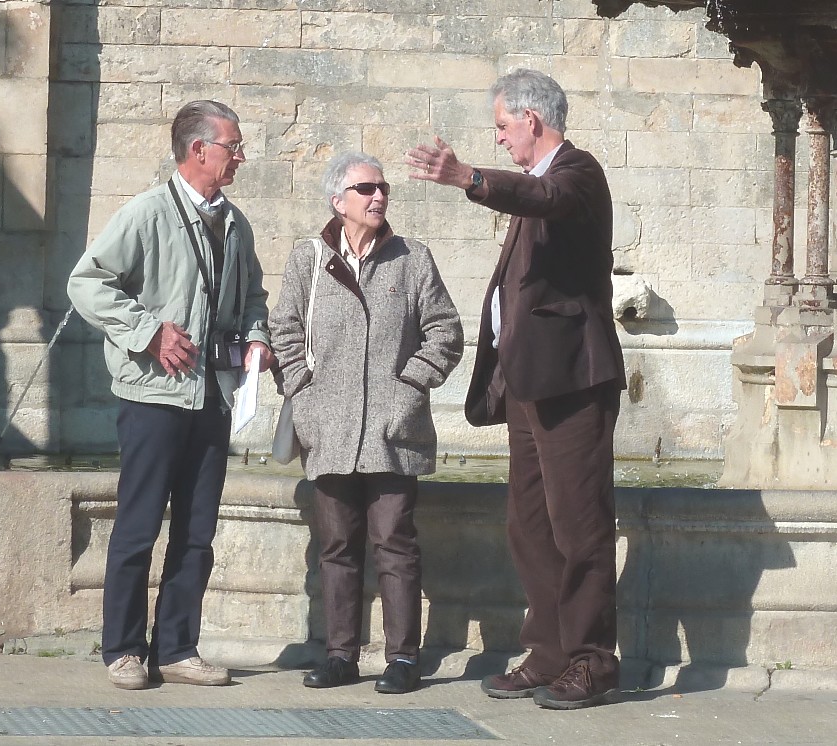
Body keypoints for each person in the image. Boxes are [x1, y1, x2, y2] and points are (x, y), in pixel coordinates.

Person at [407, 69, 627, 710]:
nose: (500, 138)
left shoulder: (577, 173)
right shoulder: (537, 186)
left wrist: (469, 177)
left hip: (573, 381)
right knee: (529, 526)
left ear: (532, 119)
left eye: (503, 126)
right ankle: (551, 652)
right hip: (530, 384)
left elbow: (546, 199)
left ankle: (592, 661)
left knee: (579, 525)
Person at [67, 100, 272, 690]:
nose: (241, 157)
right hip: (153, 396)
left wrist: (257, 338)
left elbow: (252, 297)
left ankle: (178, 648)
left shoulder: (235, 223)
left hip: (213, 396)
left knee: (197, 532)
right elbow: (87, 282)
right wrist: (148, 332)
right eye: (233, 146)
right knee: (138, 527)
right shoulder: (146, 213)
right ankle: (123, 650)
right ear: (198, 150)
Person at [269, 152, 463, 695]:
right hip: (328, 426)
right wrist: (302, 391)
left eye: (383, 188)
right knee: (337, 545)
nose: (379, 196)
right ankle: (340, 656)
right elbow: (284, 329)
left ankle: (403, 658)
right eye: (365, 188)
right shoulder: (308, 259)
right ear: (338, 201)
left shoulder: (412, 258)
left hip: (392, 430)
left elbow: (445, 331)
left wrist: (409, 387)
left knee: (395, 543)